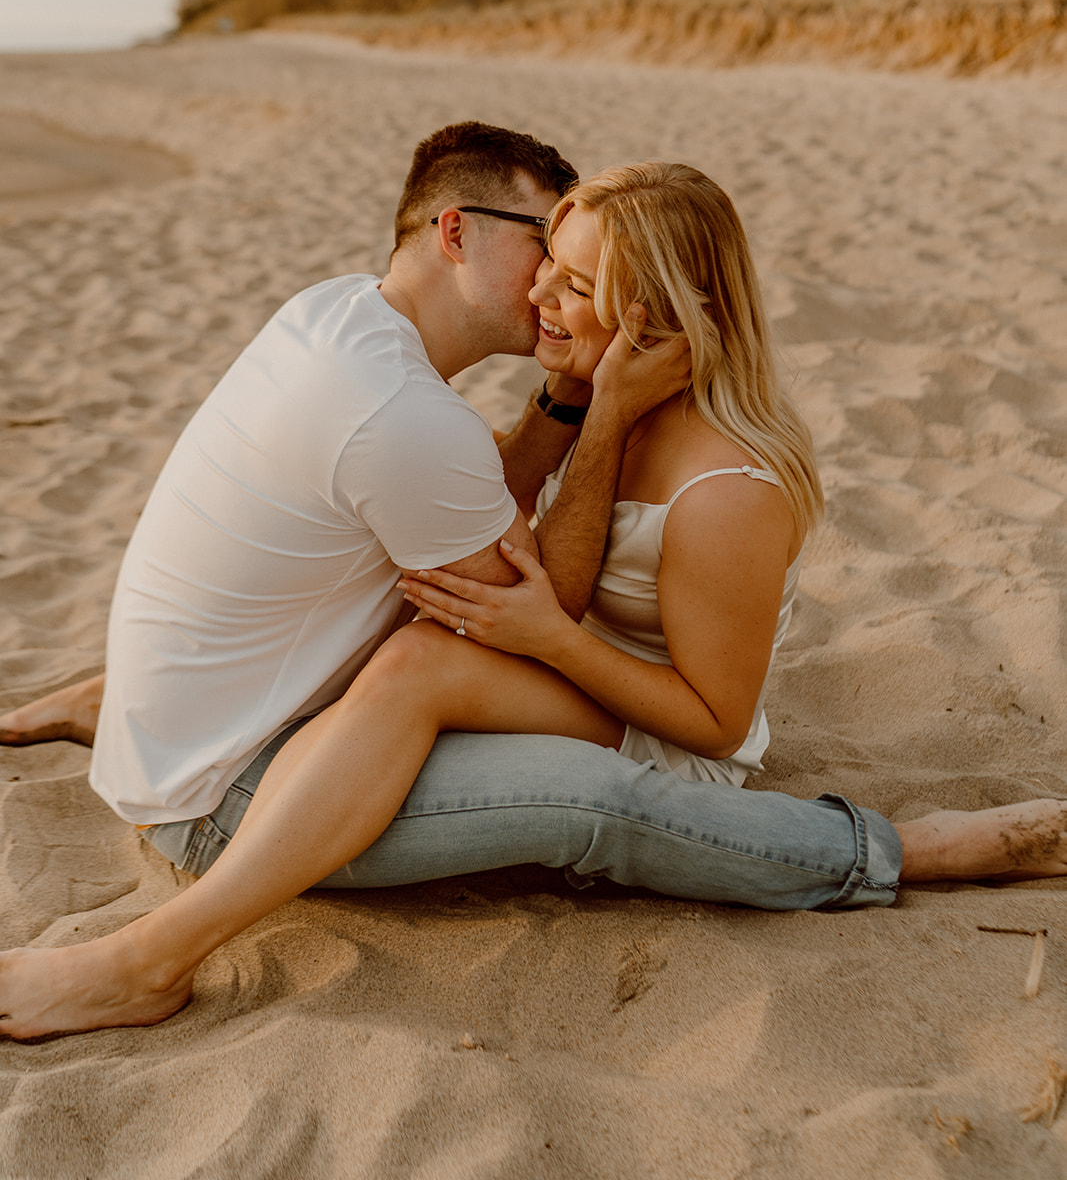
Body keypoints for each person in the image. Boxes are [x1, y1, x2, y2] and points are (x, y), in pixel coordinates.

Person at [1, 141, 1064, 1042]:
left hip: (660, 725)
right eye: (543, 260)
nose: (541, 295)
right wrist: (577, 410)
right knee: (418, 643)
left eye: (572, 279)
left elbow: (717, 719)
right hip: (550, 667)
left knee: (433, 667)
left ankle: (905, 848)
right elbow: (501, 548)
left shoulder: (726, 488)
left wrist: (548, 635)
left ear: (651, 311)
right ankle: (138, 720)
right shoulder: (583, 405)